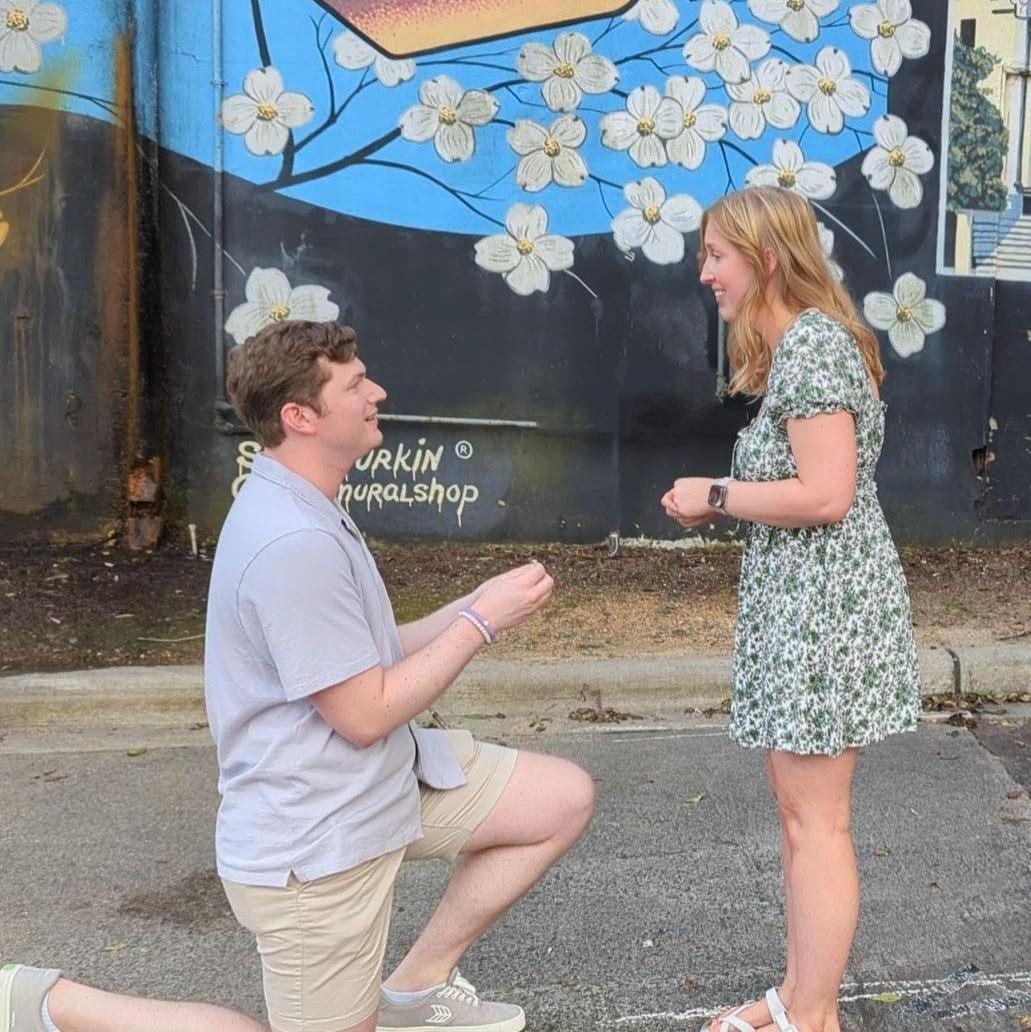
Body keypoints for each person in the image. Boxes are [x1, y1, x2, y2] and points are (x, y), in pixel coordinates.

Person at [2, 319, 595, 1032]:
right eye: (353, 384)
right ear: (300, 417)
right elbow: (365, 711)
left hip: (377, 788)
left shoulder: (304, 503)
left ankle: (413, 990)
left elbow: (356, 657)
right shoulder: (293, 542)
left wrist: (466, 605)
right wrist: (481, 624)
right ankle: (46, 1002)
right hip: (316, 845)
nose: (376, 391)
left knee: (557, 799)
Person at [661, 186, 920, 1032]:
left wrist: (716, 492)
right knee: (803, 818)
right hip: (804, 609)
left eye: (715, 255)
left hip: (822, 614)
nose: (704, 274)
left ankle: (809, 1015)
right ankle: (801, 1000)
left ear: (766, 257)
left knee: (816, 825)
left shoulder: (812, 345)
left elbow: (827, 494)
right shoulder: (802, 347)